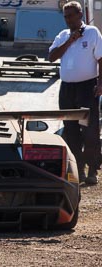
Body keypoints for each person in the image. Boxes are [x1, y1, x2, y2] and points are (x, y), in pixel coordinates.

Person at [49, 1, 102, 185]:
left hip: (87, 88)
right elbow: (52, 57)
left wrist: (101, 83)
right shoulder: (62, 35)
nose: (68, 19)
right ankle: (77, 168)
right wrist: (70, 40)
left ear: (80, 15)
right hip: (67, 90)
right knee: (71, 130)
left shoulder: (92, 33)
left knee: (90, 130)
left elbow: (101, 59)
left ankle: (93, 169)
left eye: (71, 15)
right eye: (65, 16)